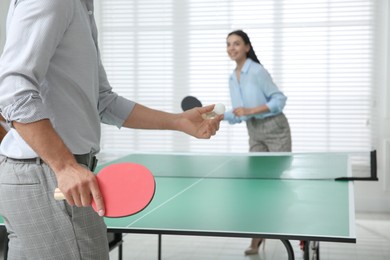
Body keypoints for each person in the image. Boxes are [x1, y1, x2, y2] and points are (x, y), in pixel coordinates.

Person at [0, 1, 223, 259]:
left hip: (47, 174)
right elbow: (13, 90)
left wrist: (178, 121)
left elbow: (102, 100)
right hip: (51, 177)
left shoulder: (81, 8)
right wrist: (64, 166)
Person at [223, 30, 292, 255]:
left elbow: (279, 99)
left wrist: (251, 109)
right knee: (257, 185)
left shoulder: (257, 71)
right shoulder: (233, 77)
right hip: (254, 131)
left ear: (247, 47)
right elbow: (239, 114)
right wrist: (217, 116)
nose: (232, 48)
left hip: (275, 128)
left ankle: (282, 227)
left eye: (236, 44)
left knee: (274, 184)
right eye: (228, 44)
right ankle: (256, 239)